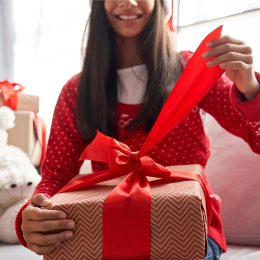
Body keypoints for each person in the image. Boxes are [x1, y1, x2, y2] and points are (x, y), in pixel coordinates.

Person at [16, 0, 260, 259]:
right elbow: (55, 177)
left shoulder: (190, 70)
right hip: (109, 229)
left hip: (188, 227)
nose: (129, 2)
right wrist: (32, 216)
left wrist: (251, 89)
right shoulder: (77, 92)